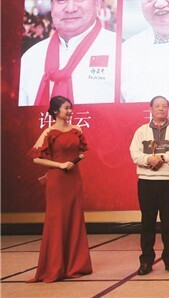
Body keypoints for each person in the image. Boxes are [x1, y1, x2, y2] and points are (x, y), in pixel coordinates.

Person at [19, 0, 116, 106]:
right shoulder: (31, 57)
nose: (70, 8)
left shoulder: (120, 50)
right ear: (52, 5)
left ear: (98, 2)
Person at [27, 96, 92, 282]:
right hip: (57, 180)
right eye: (66, 108)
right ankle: (55, 267)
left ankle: (75, 265)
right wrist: (60, 165)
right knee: (57, 221)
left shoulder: (77, 130)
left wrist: (75, 159)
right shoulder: (48, 132)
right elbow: (36, 158)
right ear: (56, 111)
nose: (70, 111)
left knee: (74, 219)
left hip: (74, 179)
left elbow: (80, 151)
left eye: (70, 108)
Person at [130, 95, 169, 275]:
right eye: (157, 106)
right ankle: (146, 261)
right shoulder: (141, 131)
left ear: (168, 109)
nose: (161, 109)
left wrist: (162, 157)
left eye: (164, 106)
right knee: (147, 223)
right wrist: (149, 159)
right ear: (151, 109)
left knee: (168, 223)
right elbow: (134, 153)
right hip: (147, 182)